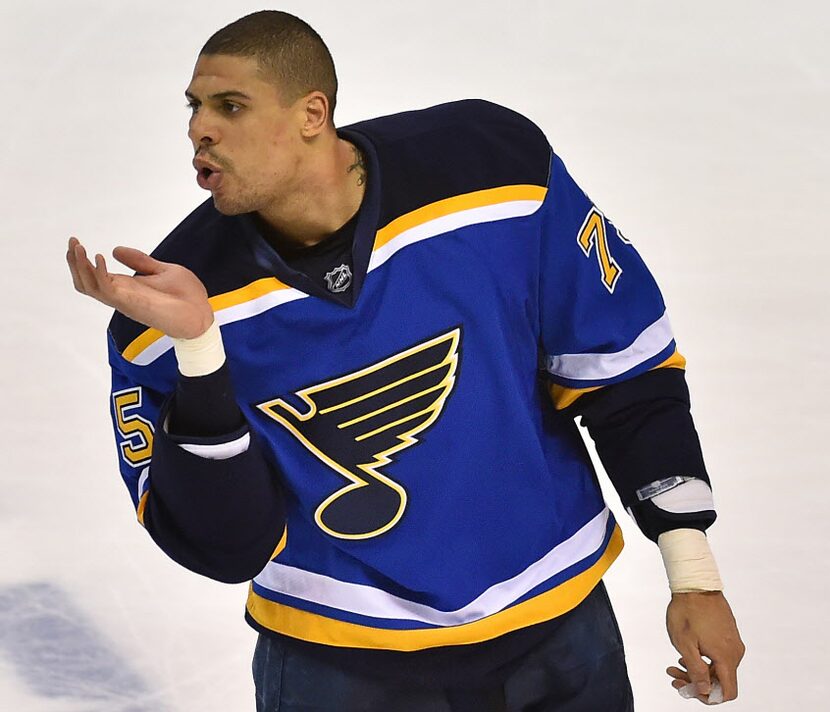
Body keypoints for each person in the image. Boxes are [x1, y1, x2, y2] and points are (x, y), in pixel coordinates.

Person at [66, 10, 744, 711]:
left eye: (229, 106)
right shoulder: (166, 318)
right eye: (194, 107)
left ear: (312, 113)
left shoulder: (495, 177)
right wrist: (201, 353)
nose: (198, 129)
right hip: (338, 662)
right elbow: (227, 547)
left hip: (558, 629)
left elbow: (621, 370)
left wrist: (692, 571)